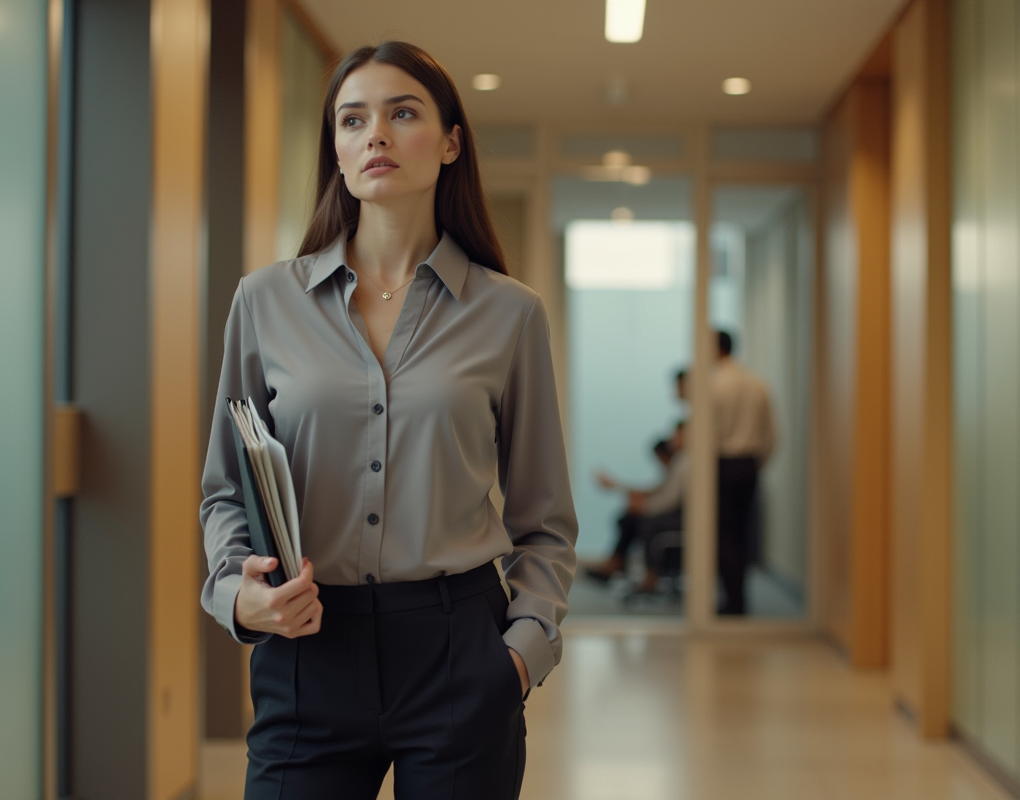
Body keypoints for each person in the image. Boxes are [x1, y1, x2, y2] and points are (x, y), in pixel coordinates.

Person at [199, 42, 577, 799]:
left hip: (458, 650)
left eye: (401, 113)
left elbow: (545, 522)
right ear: (337, 152)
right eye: (353, 119)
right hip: (307, 653)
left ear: (448, 142)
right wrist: (236, 596)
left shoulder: (509, 315)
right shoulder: (265, 302)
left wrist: (520, 656)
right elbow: (225, 493)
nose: (375, 134)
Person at [711, 330, 775, 615]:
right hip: (748, 465)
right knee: (742, 534)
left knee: (723, 535)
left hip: (722, 463)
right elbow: (772, 435)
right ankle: (738, 599)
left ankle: (731, 602)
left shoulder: (714, 384)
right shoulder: (757, 383)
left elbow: (710, 434)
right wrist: (755, 463)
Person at [586, 423, 686, 589]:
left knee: (643, 521)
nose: (672, 440)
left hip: (679, 516)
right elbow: (658, 490)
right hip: (672, 511)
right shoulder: (681, 461)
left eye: (676, 435)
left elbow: (670, 499)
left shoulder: (685, 462)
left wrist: (645, 507)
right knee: (629, 517)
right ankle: (617, 563)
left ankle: (648, 576)